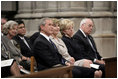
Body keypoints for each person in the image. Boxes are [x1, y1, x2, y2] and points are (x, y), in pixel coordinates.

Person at [33, 18, 100, 78]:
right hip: (49, 70)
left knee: (89, 70)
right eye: (49, 25)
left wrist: (65, 62)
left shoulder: (47, 40)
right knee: (84, 72)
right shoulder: (40, 41)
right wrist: (65, 64)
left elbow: (58, 55)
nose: (52, 27)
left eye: (52, 25)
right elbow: (50, 61)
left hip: (59, 67)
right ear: (42, 27)